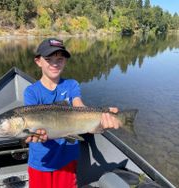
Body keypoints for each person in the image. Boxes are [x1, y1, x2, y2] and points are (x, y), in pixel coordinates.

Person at [24, 38, 121, 188]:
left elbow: (79, 106)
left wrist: (102, 118)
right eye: (49, 59)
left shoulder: (71, 85)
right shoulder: (31, 92)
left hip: (67, 158)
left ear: (65, 61)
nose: (55, 63)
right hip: (41, 160)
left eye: (60, 59)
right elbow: (30, 123)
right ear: (38, 61)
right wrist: (33, 134)